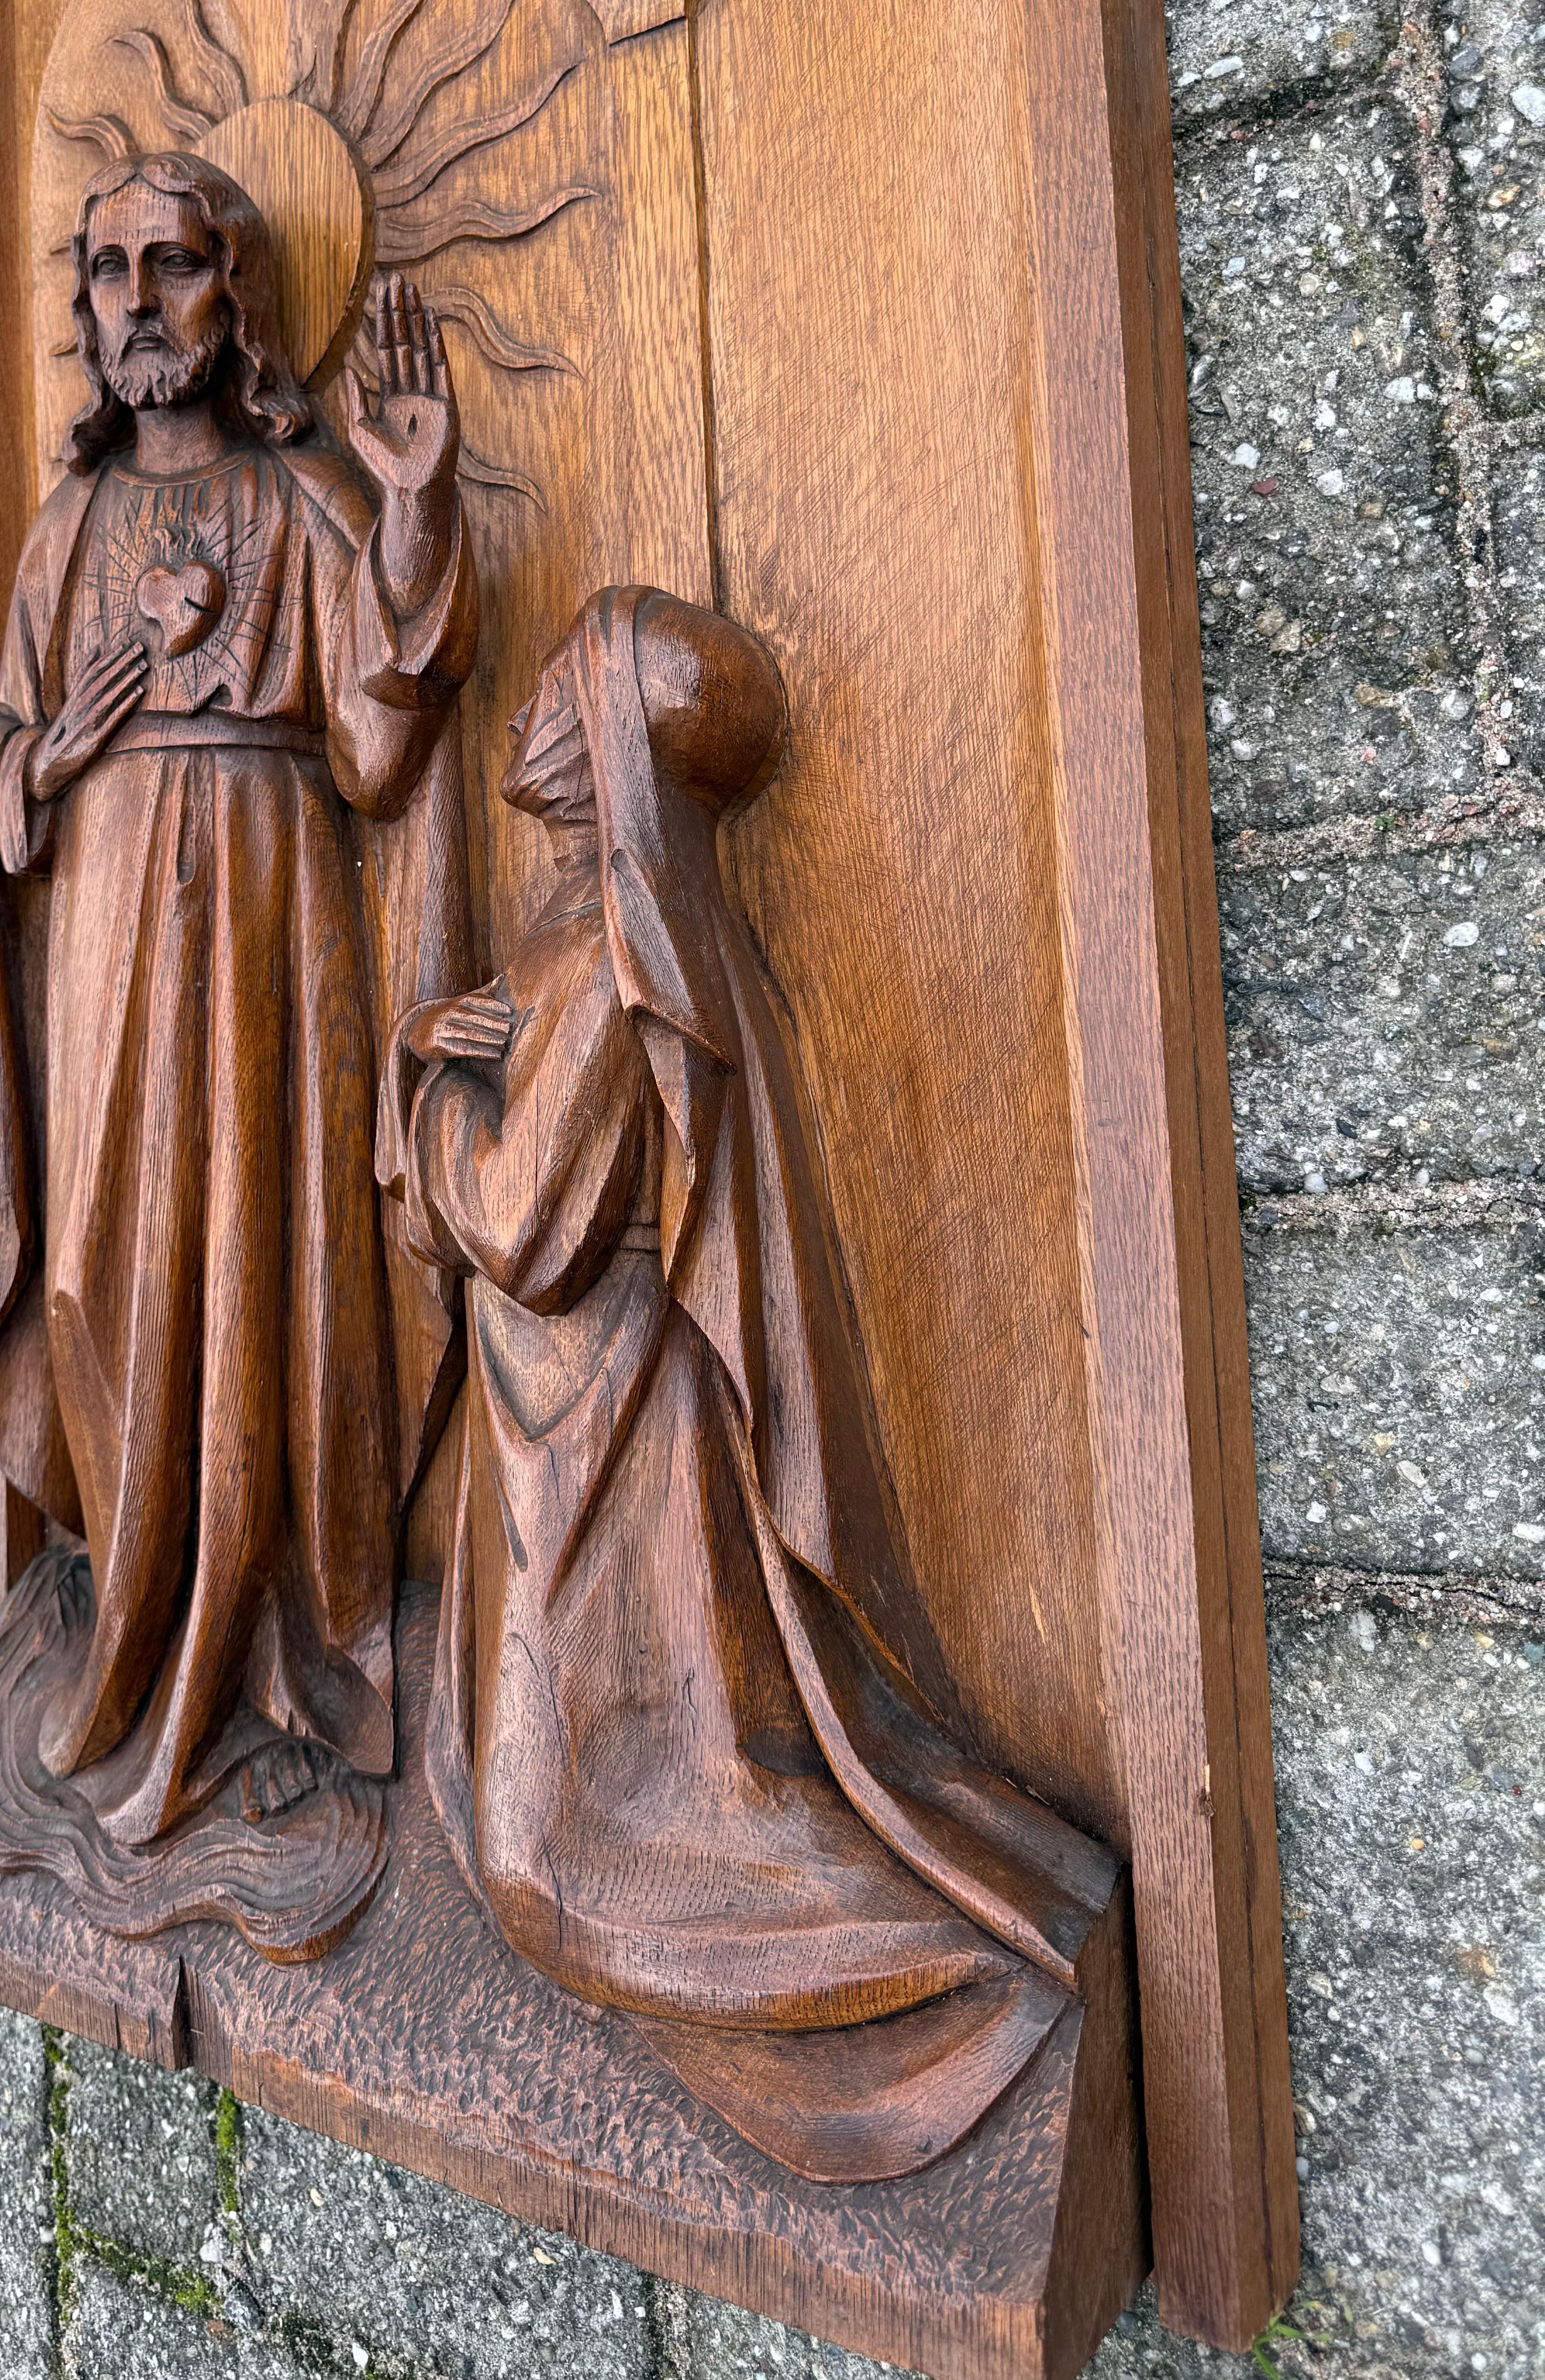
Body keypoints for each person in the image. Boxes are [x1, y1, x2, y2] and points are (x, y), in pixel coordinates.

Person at [378, 587, 1117, 2179]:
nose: (523, 707)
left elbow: (516, 1229)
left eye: (560, 679)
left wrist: (433, 1081)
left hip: (605, 1435)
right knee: (551, 1823)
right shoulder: (640, 930)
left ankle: (965, 1965)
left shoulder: (603, 953)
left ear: (609, 740)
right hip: (590, 1423)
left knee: (552, 1869)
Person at [0, 151, 474, 1952]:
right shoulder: (66, 536)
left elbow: (384, 738)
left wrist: (410, 512)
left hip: (269, 908)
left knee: (264, 1250)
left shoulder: (301, 496)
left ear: (235, 299)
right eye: (102, 275)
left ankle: (269, 1644)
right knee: (107, 1266)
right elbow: (7, 800)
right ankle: (131, 1631)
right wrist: (54, 753)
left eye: (171, 269)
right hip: (103, 923)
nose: (133, 307)